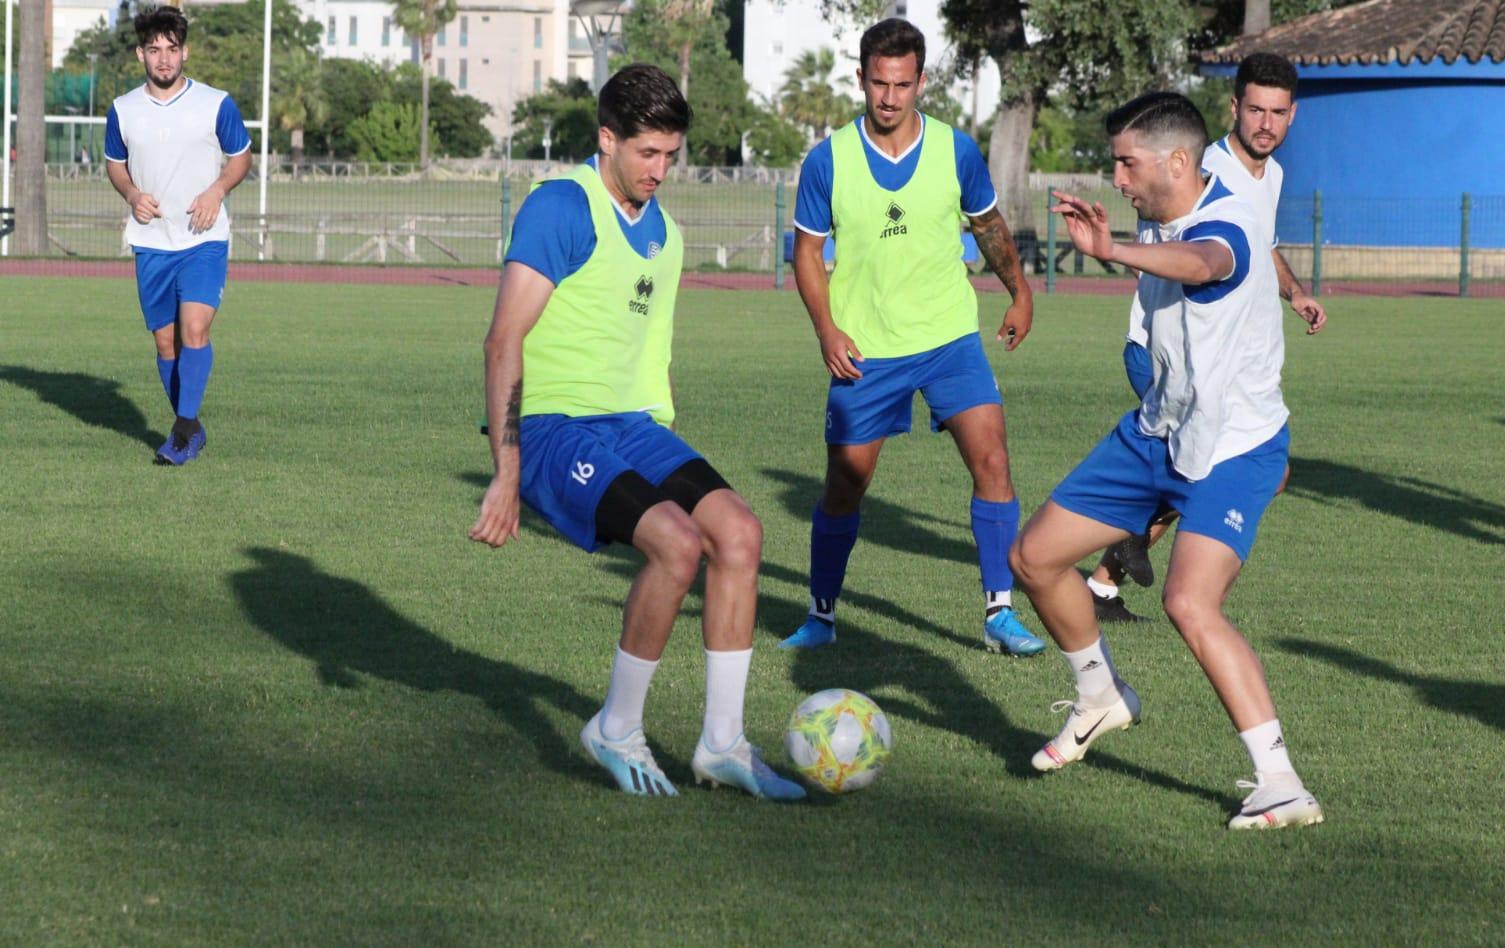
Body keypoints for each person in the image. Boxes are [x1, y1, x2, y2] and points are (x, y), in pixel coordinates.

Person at [469, 64, 803, 802]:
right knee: (676, 545)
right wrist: (506, 465)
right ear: (608, 138)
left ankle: (723, 744)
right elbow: (503, 341)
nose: (661, 170)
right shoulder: (562, 207)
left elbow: (642, 353)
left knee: (740, 534)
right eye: (647, 153)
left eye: (671, 156)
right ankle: (617, 726)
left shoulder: (666, 234)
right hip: (556, 427)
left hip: (634, 428)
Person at [1014, 91, 1322, 831]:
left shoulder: (1229, 225)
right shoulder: (1165, 210)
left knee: (1189, 602)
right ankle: (1100, 696)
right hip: (1158, 431)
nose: (1116, 176)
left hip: (1233, 448)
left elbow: (1206, 261)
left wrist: (1113, 249)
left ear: (1177, 161)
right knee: (1032, 558)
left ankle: (1281, 783)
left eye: (1126, 161)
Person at [779, 18, 1044, 657]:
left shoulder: (956, 150)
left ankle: (1000, 613)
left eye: (902, 84)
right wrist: (826, 329)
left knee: (993, 462)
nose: (890, 97)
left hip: (950, 338)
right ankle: (821, 614)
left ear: (920, 80)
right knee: (845, 484)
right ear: (862, 79)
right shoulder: (829, 159)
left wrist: (1020, 291)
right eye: (879, 83)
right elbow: (808, 254)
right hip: (866, 349)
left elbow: (988, 226)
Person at [1085, 53, 1328, 622]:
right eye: (1255, 110)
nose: (1265, 123)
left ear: (1293, 115)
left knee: (1256, 467)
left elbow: (1259, 247)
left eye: (1277, 112)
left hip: (1226, 359)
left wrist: (1293, 293)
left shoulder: (1273, 176)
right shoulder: (1199, 166)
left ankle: (1106, 574)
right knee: (1220, 465)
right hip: (1166, 349)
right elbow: (1184, 252)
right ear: (1234, 108)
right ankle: (1128, 539)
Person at [104, 5, 252, 466]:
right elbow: (115, 164)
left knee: (194, 329)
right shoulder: (123, 110)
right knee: (166, 343)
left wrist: (217, 190)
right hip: (152, 241)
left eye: (172, 49)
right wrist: (131, 194)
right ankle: (190, 427)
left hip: (203, 238)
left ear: (185, 51)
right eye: (154, 50)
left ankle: (182, 432)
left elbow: (241, 157)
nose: (164, 59)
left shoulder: (216, 103)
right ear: (140, 54)